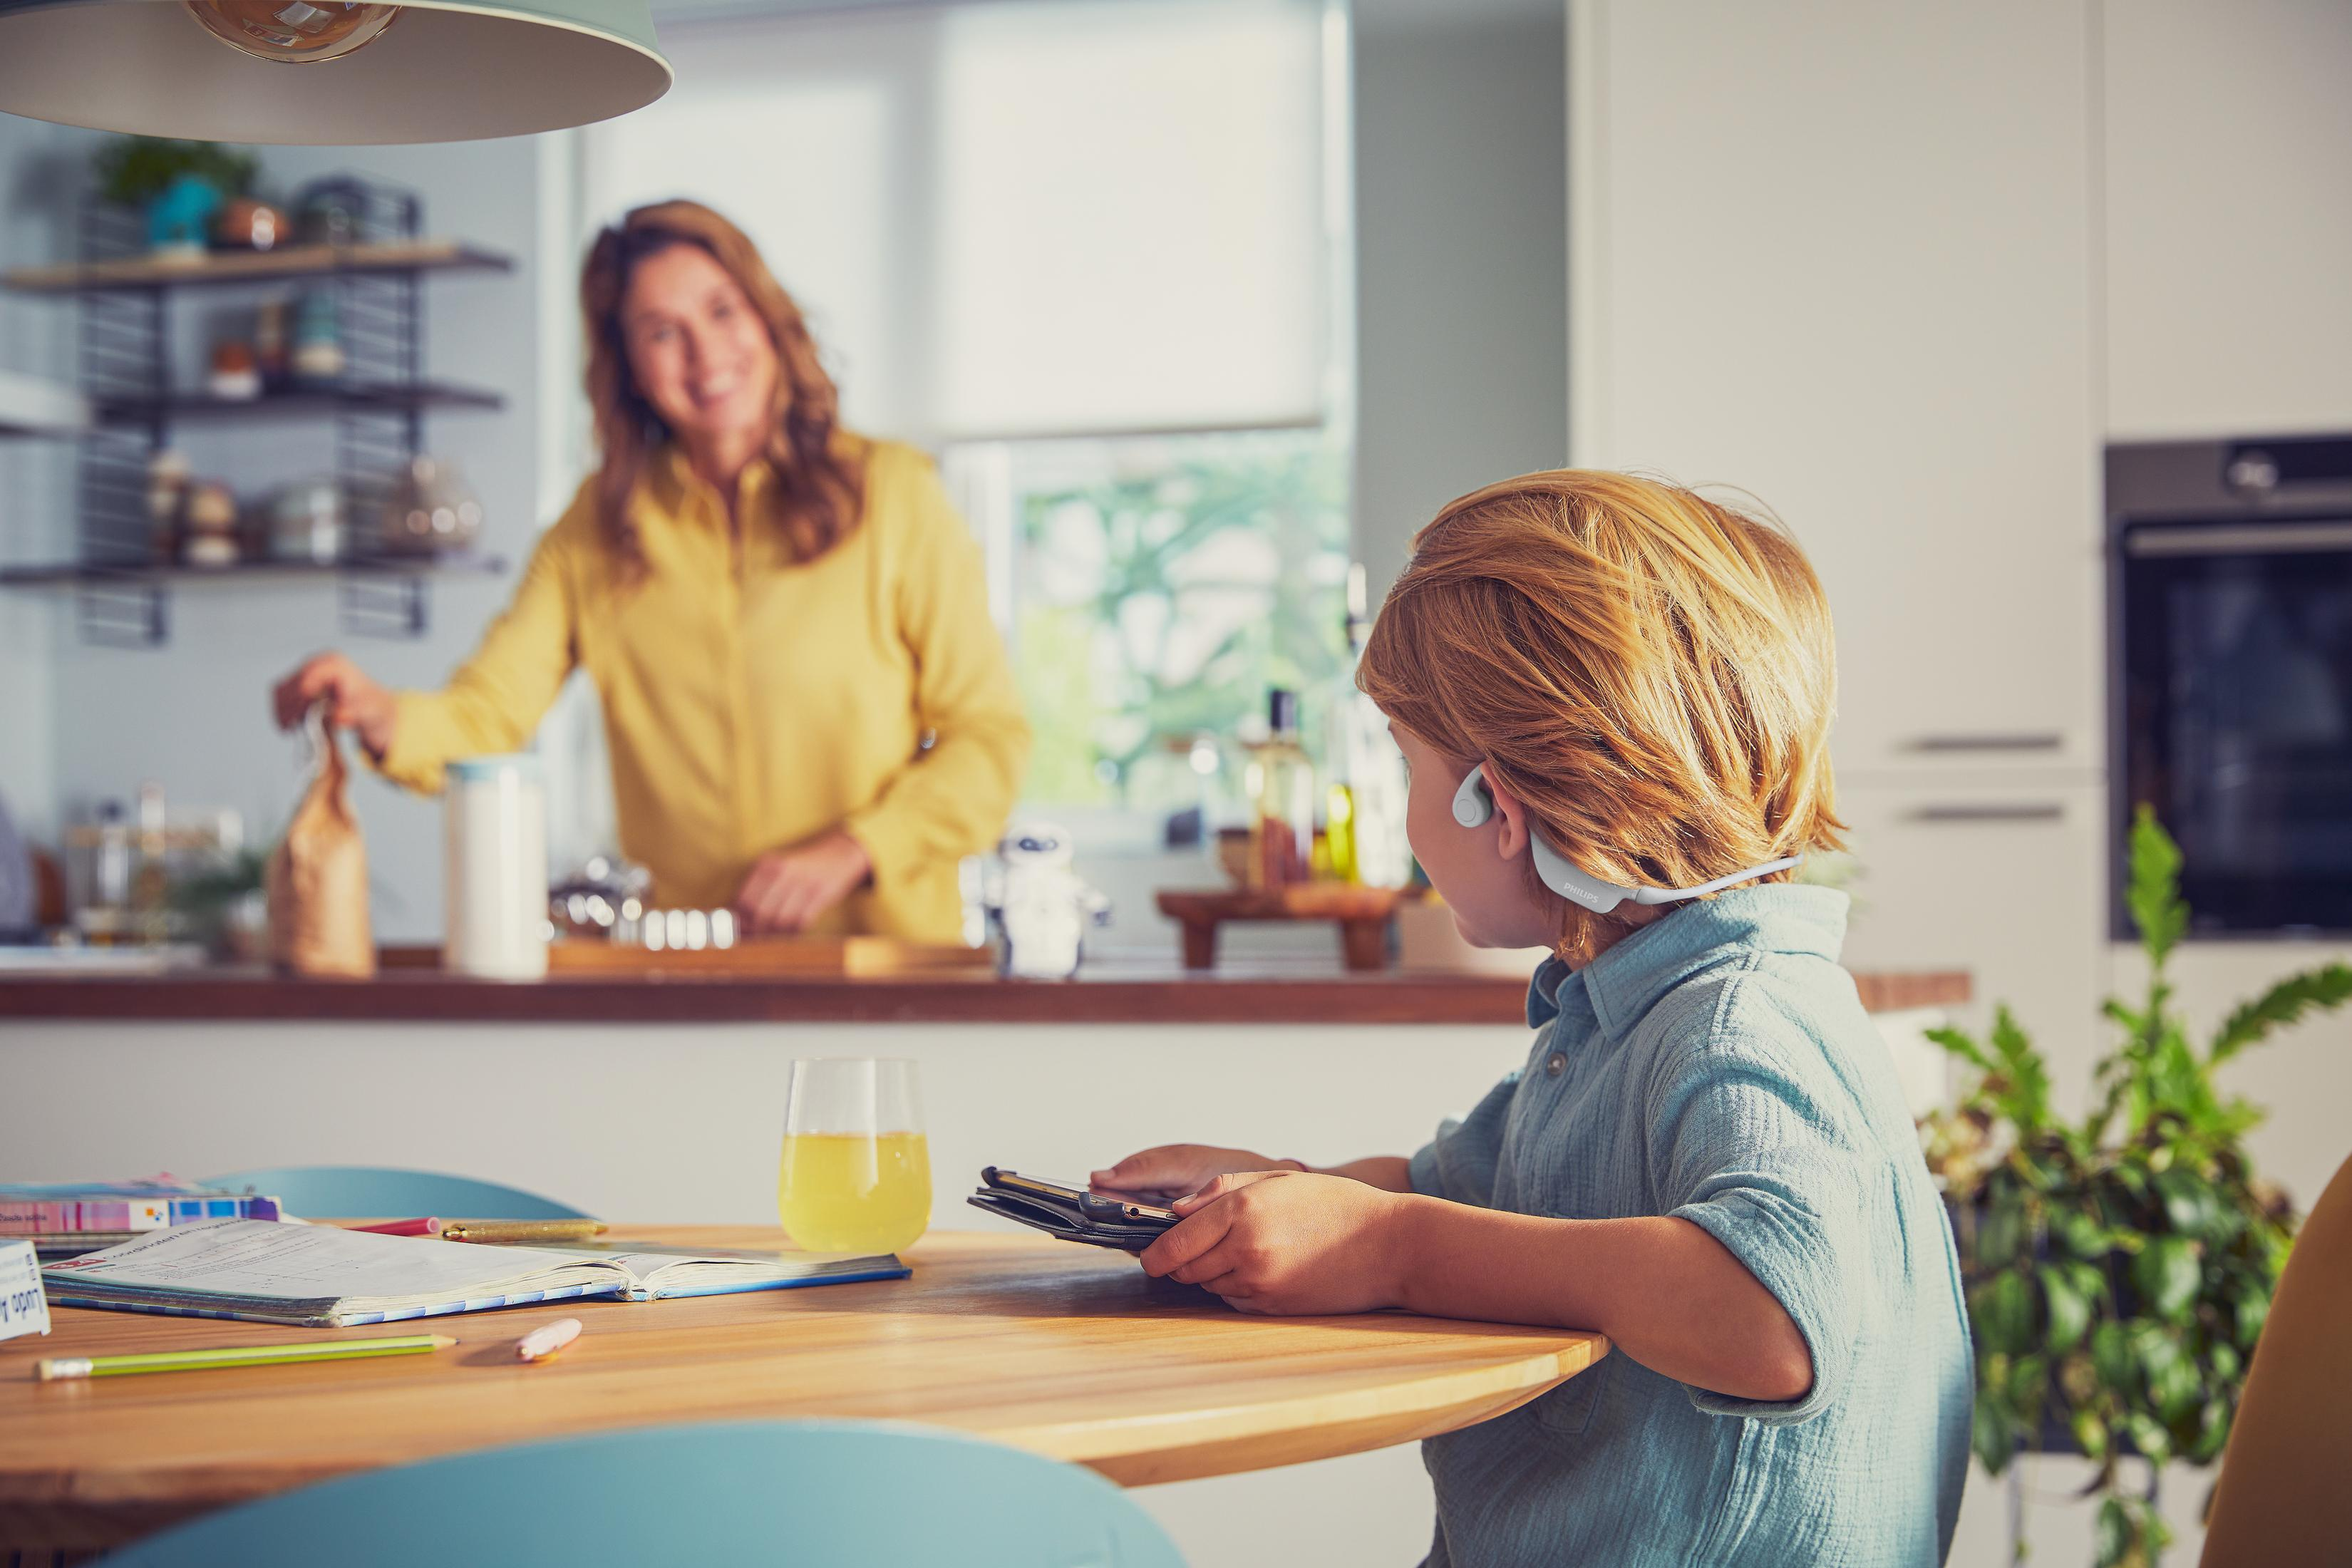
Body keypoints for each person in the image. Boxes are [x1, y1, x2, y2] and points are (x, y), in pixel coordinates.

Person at [1094, 471, 1971, 1565]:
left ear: (1497, 805)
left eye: (1407, 764)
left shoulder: (1744, 1020)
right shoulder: (1619, 1012)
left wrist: (1392, 1249)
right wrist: (1275, 1195)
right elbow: (1470, 1195)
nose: (1408, 819)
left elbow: (1773, 1316)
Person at [272, 201, 1028, 941]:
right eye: (662, 331)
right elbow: (487, 716)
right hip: (691, 968)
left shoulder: (894, 496)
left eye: (723, 311)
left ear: (768, 317)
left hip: (887, 962)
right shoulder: (595, 528)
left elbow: (988, 739)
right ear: (628, 366)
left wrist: (856, 849)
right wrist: (381, 714)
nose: (705, 354)